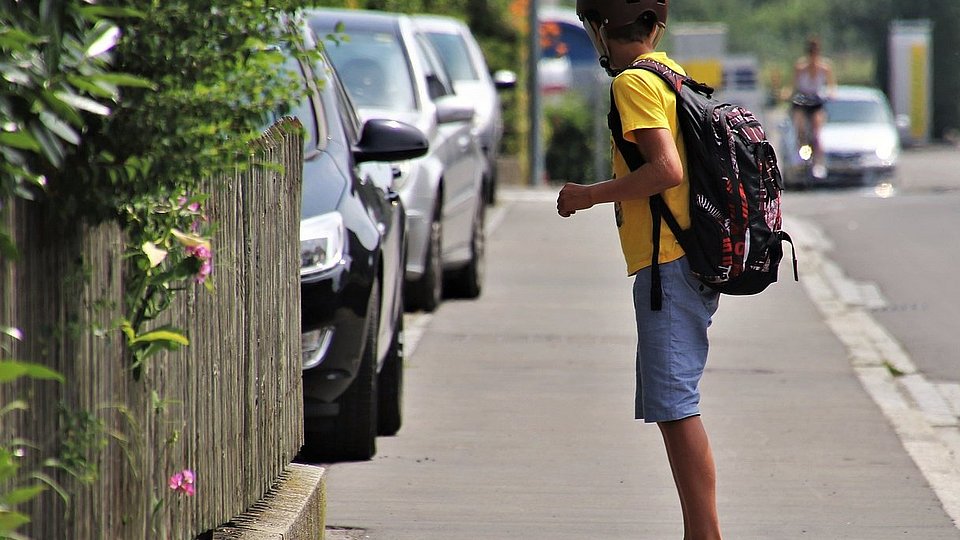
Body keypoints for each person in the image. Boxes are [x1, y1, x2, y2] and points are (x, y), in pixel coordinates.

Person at [556, 1, 723, 538]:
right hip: (684, 259)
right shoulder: (669, 73)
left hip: (668, 263)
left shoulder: (632, 84)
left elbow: (665, 170)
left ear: (601, 30)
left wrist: (587, 196)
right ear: (655, 27)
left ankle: (705, 535)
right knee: (672, 405)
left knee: (677, 408)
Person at [791, 36, 835, 179]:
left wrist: (830, 94)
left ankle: (818, 162)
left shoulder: (825, 67)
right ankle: (800, 155)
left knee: (817, 131)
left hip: (816, 100)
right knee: (800, 127)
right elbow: (795, 86)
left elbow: (831, 87)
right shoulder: (800, 67)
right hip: (803, 100)